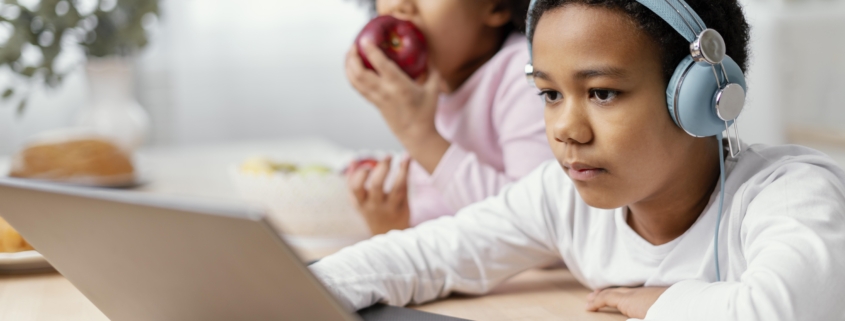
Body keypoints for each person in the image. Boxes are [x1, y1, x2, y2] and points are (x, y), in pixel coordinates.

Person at [313, 0, 845, 319]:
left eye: (603, 93)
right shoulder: (560, 197)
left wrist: (659, 302)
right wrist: (306, 286)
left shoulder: (790, 191)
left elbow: (787, 312)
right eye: (549, 95)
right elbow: (427, 256)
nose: (566, 129)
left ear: (702, 95)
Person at [346, 0, 554, 235]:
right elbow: (443, 215)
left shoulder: (527, 75)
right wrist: (394, 225)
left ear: (497, 6)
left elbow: (535, 225)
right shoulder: (434, 85)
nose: (398, 5)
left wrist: (420, 136)